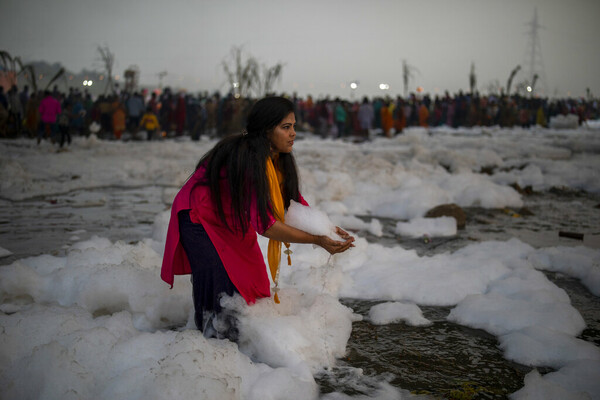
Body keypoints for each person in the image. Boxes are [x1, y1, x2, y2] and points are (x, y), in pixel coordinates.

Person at [161, 96, 354, 337]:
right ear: (265, 130)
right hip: (198, 218)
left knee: (251, 283)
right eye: (286, 127)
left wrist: (327, 229)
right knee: (220, 287)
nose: (293, 133)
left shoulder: (278, 156)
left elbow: (290, 203)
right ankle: (209, 345)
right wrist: (316, 240)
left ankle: (242, 343)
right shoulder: (248, 157)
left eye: (294, 126)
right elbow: (266, 226)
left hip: (230, 217)